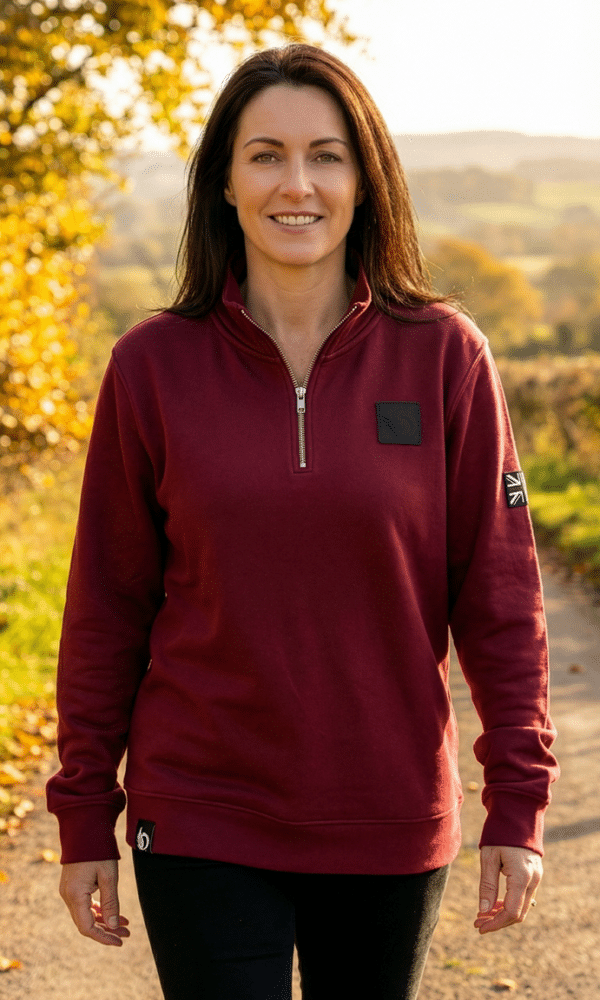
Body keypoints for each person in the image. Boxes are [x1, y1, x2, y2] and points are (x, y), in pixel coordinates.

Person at [47, 43, 559, 1000]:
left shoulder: (445, 356)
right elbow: (106, 608)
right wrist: (84, 812)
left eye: (327, 155)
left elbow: (500, 594)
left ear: (365, 180)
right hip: (199, 806)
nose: (298, 184)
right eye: (266, 155)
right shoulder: (152, 367)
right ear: (225, 185)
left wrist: (517, 801)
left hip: (386, 810)